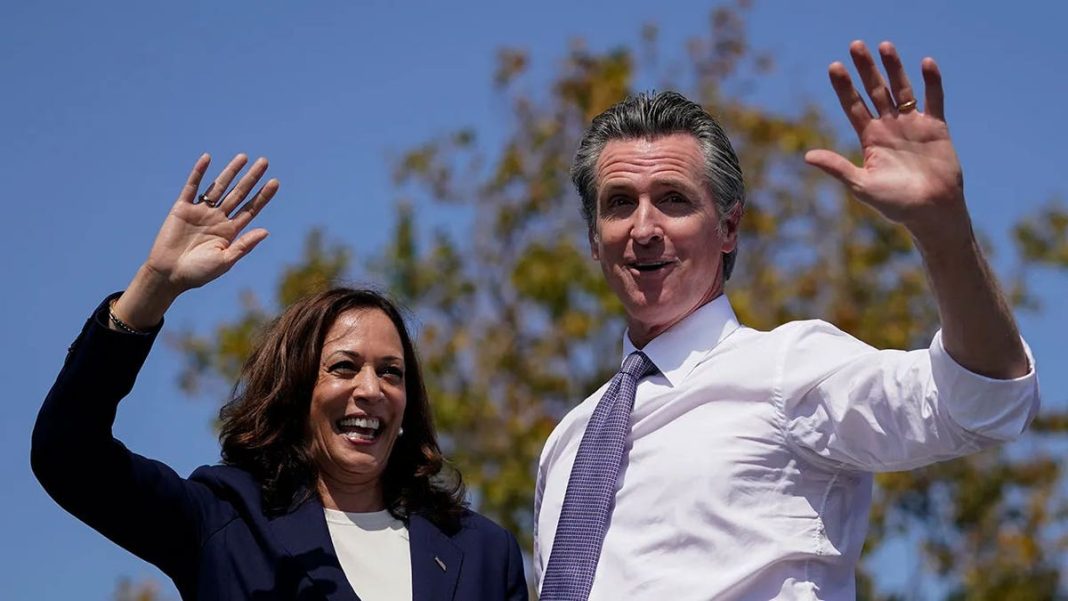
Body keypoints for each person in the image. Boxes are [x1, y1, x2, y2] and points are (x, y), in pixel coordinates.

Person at [534, 41, 1040, 600]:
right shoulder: (568, 442)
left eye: (674, 200)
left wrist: (943, 228)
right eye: (620, 203)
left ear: (728, 229)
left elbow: (988, 399)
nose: (645, 228)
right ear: (592, 239)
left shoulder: (789, 368)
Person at [31, 153, 528, 601]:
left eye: (392, 373)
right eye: (344, 367)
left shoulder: (482, 551)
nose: (371, 390)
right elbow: (67, 454)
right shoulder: (225, 522)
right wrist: (155, 287)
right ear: (294, 391)